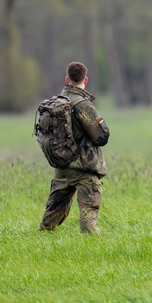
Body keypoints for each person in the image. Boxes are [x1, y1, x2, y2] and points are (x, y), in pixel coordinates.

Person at [39, 61, 110, 234]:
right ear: (85, 79)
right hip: (84, 169)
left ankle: (40, 248)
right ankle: (94, 252)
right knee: (88, 224)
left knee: (48, 224)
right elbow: (102, 136)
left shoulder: (54, 103)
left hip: (62, 168)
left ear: (66, 79)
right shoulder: (82, 104)